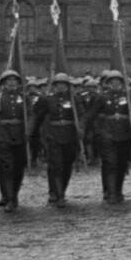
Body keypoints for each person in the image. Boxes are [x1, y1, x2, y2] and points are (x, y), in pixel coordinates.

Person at [82, 70, 131, 205]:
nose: (115, 84)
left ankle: (118, 190)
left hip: (124, 134)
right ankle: (111, 193)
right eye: (112, 82)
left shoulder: (128, 96)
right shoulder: (102, 97)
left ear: (122, 83)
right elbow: (91, 115)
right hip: (107, 134)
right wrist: (82, 128)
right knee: (111, 163)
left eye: (118, 81)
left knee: (121, 164)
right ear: (108, 84)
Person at [29, 73, 82, 207]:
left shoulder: (74, 99)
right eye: (58, 84)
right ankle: (59, 195)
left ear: (67, 86)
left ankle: (59, 190)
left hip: (70, 136)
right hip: (53, 135)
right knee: (56, 164)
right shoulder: (48, 100)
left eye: (64, 84)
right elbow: (38, 116)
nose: (61, 86)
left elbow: (82, 116)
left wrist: (82, 129)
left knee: (67, 165)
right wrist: (32, 132)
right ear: (54, 86)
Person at [0, 71, 30, 212]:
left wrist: (29, 130)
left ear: (19, 83)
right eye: (8, 81)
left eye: (15, 80)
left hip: (20, 136)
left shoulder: (24, 98)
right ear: (3, 84)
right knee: (7, 166)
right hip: (3, 136)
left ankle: (12, 194)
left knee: (18, 168)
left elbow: (31, 115)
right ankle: (10, 198)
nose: (12, 83)